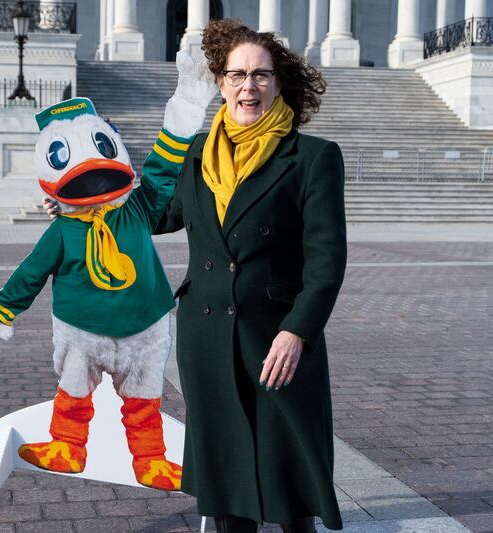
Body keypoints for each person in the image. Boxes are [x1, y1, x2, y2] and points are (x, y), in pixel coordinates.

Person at [153, 19, 346, 532]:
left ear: (279, 83)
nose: (248, 86)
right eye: (237, 75)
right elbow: (154, 216)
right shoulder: (194, 154)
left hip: (275, 334)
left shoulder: (312, 158)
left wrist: (298, 331)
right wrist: (78, 205)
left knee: (288, 474)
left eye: (261, 75)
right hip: (208, 333)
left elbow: (326, 260)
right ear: (220, 84)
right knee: (225, 479)